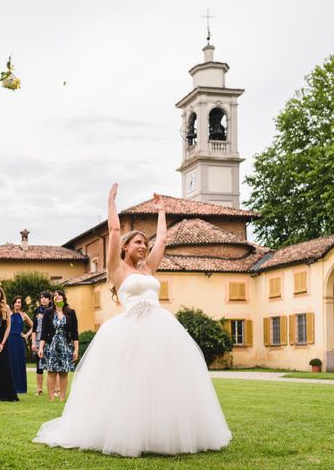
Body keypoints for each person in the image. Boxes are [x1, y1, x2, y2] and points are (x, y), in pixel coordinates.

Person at [34, 185, 232, 456]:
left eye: (144, 244)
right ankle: (123, 432)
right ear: (125, 247)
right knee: (126, 382)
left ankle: (159, 433)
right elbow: (114, 231)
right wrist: (111, 203)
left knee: (162, 381)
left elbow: (162, 241)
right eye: (138, 242)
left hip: (161, 328)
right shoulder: (116, 268)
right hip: (128, 330)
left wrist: (162, 211)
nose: (143, 246)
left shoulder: (149, 269)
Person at [37, 290, 78, 401]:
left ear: (64, 298)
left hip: (66, 345)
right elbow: (44, 333)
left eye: (59, 294)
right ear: (53, 299)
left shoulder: (71, 312)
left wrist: (76, 350)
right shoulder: (48, 312)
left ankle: (62, 398)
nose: (57, 296)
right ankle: (51, 399)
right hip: (51, 345)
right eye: (55, 295)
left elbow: (75, 333)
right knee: (51, 372)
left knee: (64, 372)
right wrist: (41, 348)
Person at [7, 296, 33, 394]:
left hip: (19, 340)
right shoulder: (8, 314)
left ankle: (20, 388)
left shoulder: (23, 315)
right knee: (11, 362)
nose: (18, 304)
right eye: (16, 302)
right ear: (13, 303)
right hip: (9, 340)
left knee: (19, 363)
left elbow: (34, 326)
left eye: (20, 302)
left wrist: (26, 335)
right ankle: (11, 387)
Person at [31, 291, 51, 396]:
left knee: (52, 365)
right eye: (41, 297)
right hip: (38, 340)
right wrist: (33, 342)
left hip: (50, 340)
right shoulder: (37, 311)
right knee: (39, 365)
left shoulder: (54, 310)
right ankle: (39, 389)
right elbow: (34, 329)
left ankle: (55, 390)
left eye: (46, 297)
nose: (43, 299)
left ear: (50, 299)